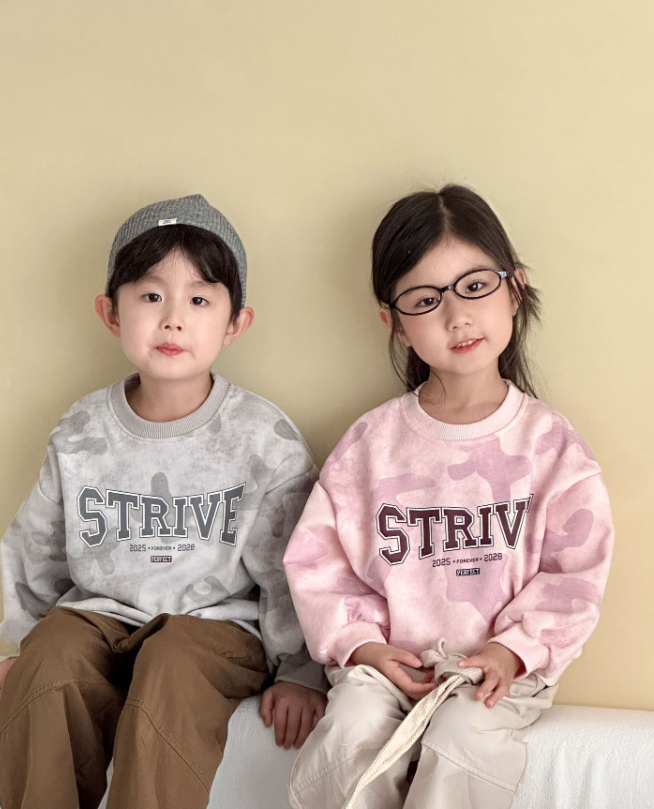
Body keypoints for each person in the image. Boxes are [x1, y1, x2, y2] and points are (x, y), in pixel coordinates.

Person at [283, 185, 614, 809]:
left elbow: (574, 574)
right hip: (384, 668)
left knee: (463, 736)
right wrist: (362, 646)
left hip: (498, 675)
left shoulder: (551, 446)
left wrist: (512, 651)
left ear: (514, 289)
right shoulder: (370, 445)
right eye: (425, 299)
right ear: (394, 321)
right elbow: (319, 562)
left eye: (475, 286)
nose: (456, 316)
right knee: (349, 727)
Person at [0, 194, 327, 809]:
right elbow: (36, 546)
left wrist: (301, 673)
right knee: (50, 664)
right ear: (111, 311)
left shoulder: (264, 438)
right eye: (151, 296)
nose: (173, 320)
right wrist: (24, 644)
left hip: (215, 628)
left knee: (169, 668)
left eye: (199, 300)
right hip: (98, 617)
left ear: (235, 323)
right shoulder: (81, 431)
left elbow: (293, 569)